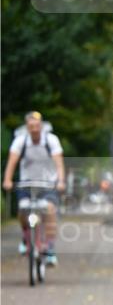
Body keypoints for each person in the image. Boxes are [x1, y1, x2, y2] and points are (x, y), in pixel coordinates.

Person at [3, 111, 65, 265]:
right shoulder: (20, 141)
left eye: (37, 126)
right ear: (27, 127)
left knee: (49, 209)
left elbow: (59, 163)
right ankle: (26, 237)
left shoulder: (51, 140)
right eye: (31, 126)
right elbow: (12, 162)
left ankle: (50, 248)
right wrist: (7, 180)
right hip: (27, 183)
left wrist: (61, 181)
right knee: (22, 209)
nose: (35, 129)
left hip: (47, 183)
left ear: (41, 126)